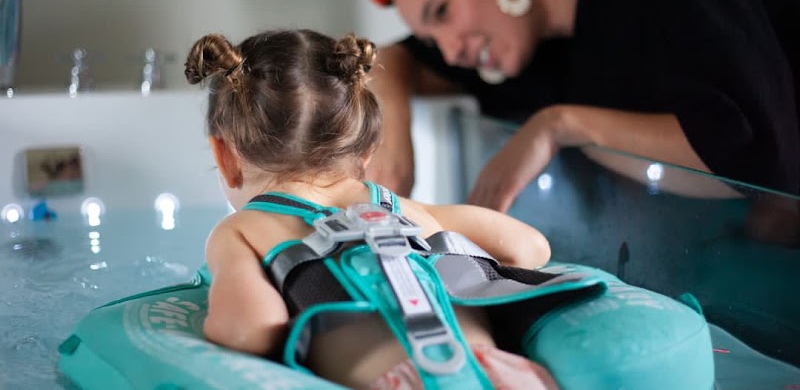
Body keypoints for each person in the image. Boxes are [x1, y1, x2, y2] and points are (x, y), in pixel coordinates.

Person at [183, 29, 557, 389]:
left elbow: (249, 331)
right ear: (366, 151)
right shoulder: (411, 213)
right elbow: (531, 248)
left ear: (225, 155)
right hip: (501, 374)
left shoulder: (243, 231)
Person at [363, 0, 800, 212]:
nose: (451, 50)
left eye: (442, 11)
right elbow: (393, 60)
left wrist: (560, 125)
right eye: (433, 38)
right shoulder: (531, 52)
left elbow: (757, 159)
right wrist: (392, 138)